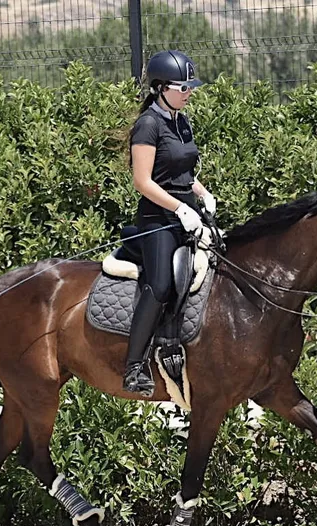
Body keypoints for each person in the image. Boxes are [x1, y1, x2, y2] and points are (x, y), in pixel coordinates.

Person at [123, 50, 217, 396]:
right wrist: (180, 208)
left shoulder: (180, 120)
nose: (189, 92)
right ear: (161, 87)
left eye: (191, 86)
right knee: (161, 284)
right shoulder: (148, 124)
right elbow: (143, 181)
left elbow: (183, 172)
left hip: (187, 214)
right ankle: (134, 365)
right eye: (183, 87)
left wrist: (203, 194)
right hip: (157, 219)